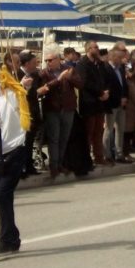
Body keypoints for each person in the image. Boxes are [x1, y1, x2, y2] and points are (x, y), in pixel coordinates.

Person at [0, 66, 30, 258]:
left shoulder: (16, 97)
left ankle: (6, 239)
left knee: (2, 196)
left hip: (16, 150)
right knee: (1, 199)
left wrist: (3, 75)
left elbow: (18, 87)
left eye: (2, 80)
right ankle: (11, 238)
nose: (0, 84)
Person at [40, 45, 83, 178]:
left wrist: (69, 78)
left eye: (51, 60)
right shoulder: (43, 73)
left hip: (68, 108)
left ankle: (60, 164)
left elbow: (80, 84)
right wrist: (58, 80)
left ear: (58, 59)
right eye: (46, 60)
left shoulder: (69, 69)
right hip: (52, 110)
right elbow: (44, 88)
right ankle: (54, 166)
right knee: (54, 138)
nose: (48, 62)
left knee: (64, 138)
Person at [76, 41, 111, 166]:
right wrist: (100, 93)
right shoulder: (82, 64)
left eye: (97, 47)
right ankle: (86, 158)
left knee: (98, 131)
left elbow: (106, 79)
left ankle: (99, 156)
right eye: (95, 47)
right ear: (88, 49)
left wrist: (106, 91)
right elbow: (85, 83)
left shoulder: (100, 64)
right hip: (89, 102)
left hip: (100, 103)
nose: (97, 49)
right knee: (88, 132)